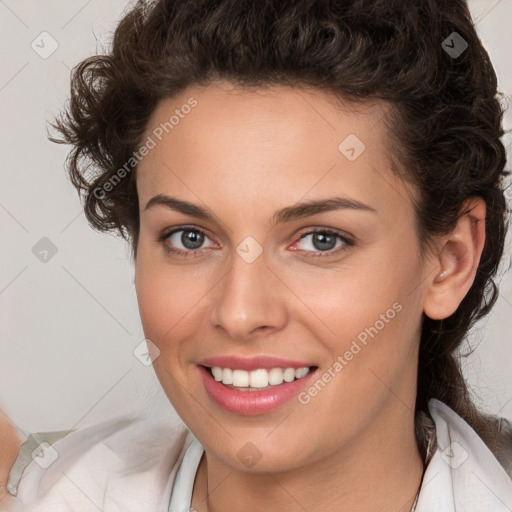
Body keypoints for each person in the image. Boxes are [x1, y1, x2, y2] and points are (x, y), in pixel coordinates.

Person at [4, 0, 512, 510]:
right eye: (190, 237)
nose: (240, 313)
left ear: (450, 260)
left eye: (321, 240)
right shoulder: (49, 492)